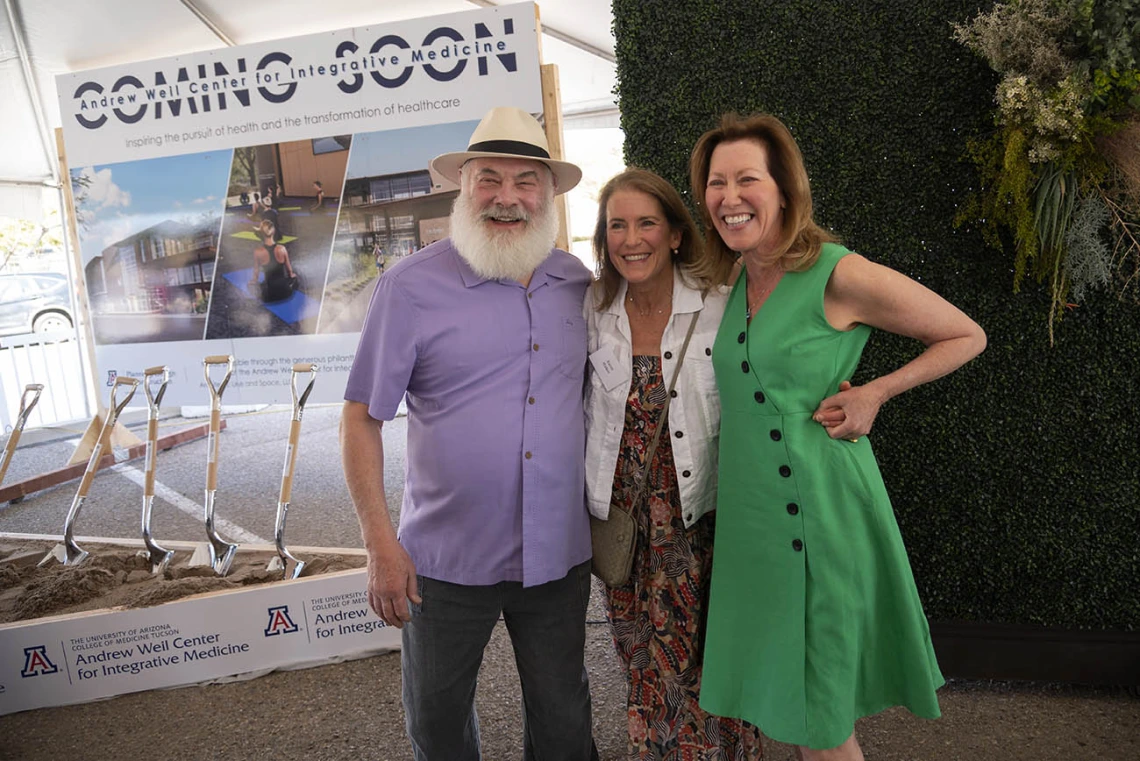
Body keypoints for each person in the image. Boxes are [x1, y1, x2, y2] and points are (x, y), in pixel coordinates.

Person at [689, 112, 987, 760]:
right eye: (716, 182)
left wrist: (875, 391)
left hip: (817, 510)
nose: (729, 197)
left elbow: (966, 333)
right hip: (755, 522)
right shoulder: (737, 276)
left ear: (784, 188)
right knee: (784, 702)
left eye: (747, 179)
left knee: (820, 715)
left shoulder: (836, 272)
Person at [341, 106, 600, 761]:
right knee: (437, 722)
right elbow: (361, 416)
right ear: (464, 186)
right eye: (489, 178)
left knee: (566, 723)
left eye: (526, 181)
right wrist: (379, 543)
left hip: (557, 554)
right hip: (444, 562)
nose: (507, 198)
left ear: (547, 193)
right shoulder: (409, 288)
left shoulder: (576, 283)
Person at [584, 168, 764, 759]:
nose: (631, 239)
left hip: (702, 517)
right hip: (627, 528)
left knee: (711, 661)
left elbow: (773, 369)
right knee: (642, 662)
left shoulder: (718, 303)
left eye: (646, 223)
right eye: (617, 225)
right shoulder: (593, 308)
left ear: (676, 234)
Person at [250, 219, 296, 302]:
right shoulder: (282, 249)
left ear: (262, 233)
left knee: (257, 286)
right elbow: (289, 271)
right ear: (273, 231)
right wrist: (292, 275)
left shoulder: (257, 252)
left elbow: (256, 272)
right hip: (285, 292)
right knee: (294, 279)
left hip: (269, 295)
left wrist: (253, 281)